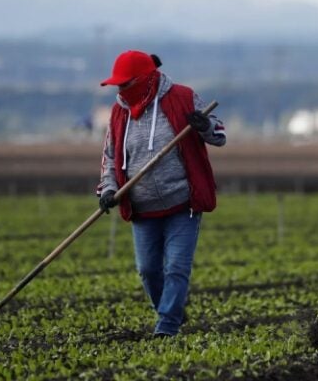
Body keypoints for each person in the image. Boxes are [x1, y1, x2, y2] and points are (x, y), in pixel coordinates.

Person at [96, 50, 226, 338]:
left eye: (125, 83)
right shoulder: (119, 112)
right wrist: (108, 189)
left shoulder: (182, 97)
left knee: (177, 268)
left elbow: (219, 135)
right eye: (117, 84)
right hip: (143, 208)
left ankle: (166, 327)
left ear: (144, 79)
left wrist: (204, 126)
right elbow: (110, 158)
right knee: (148, 271)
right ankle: (172, 311)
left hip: (183, 203)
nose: (120, 90)